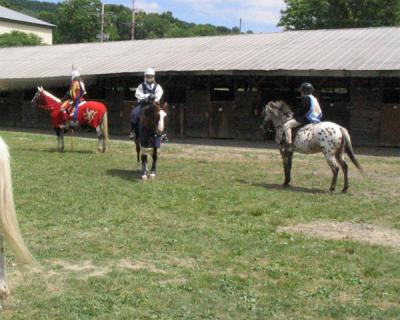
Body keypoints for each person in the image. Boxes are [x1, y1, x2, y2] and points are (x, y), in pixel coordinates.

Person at [283, 82, 322, 152]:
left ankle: (289, 144)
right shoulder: (314, 98)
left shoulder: (305, 98)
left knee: (287, 125)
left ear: (304, 91)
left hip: (306, 118)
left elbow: (301, 109)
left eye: (301, 91)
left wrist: (293, 116)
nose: (301, 93)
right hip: (315, 119)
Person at [129, 68, 164, 139]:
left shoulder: (157, 86)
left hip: (154, 104)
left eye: (151, 76)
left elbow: (159, 94)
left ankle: (163, 133)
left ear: (154, 76)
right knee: (134, 113)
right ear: (145, 76)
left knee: (162, 114)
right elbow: (137, 94)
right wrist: (147, 96)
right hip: (143, 104)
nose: (150, 78)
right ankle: (133, 131)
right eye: (148, 76)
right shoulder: (141, 86)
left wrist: (155, 98)